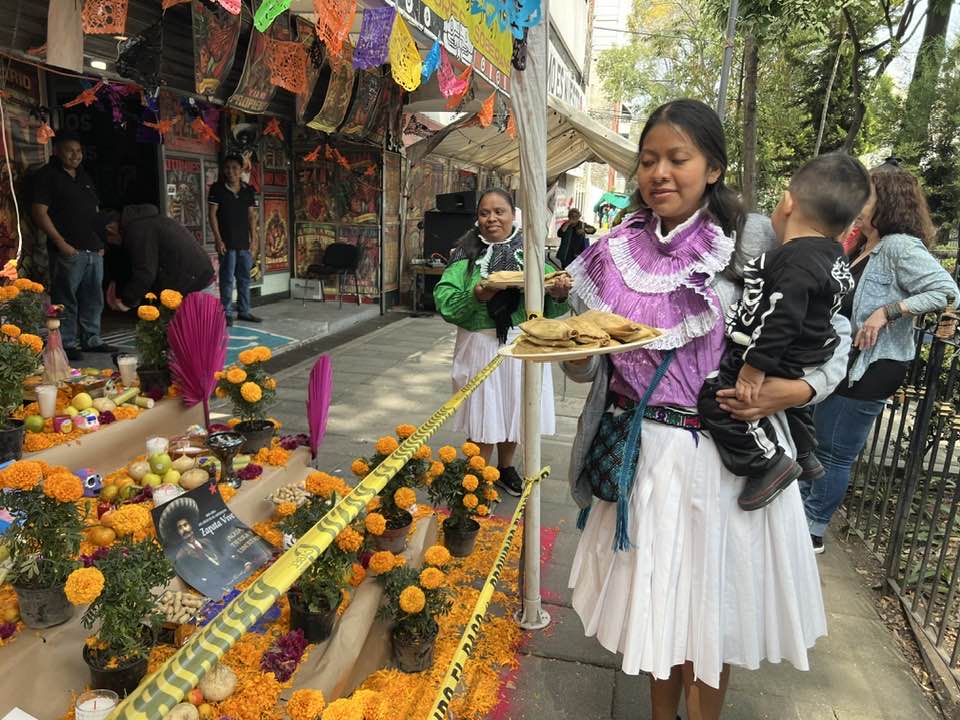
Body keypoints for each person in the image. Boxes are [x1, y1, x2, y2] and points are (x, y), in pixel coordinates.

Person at [563, 99, 850, 720]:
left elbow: (838, 338)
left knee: (710, 620)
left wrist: (795, 391)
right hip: (646, 462)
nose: (658, 173)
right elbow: (587, 357)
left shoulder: (756, 245)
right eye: (647, 161)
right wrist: (570, 353)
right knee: (657, 614)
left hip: (726, 466)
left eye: (677, 159)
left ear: (713, 168)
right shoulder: (613, 252)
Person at [804, 159, 959, 554]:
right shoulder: (861, 243)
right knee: (819, 441)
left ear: (886, 201)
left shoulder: (898, 247)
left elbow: (947, 290)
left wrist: (887, 312)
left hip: (871, 366)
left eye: (867, 194)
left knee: (835, 451)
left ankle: (813, 531)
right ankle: (803, 515)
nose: (859, 200)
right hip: (844, 362)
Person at [698, 154, 869, 511]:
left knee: (718, 399)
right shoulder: (832, 255)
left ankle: (766, 462)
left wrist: (754, 366)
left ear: (788, 201)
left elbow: (782, 318)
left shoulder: (793, 258)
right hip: (810, 351)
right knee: (791, 408)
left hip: (779, 354)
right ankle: (805, 452)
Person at [433, 189, 571, 497]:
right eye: (484, 213)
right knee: (483, 412)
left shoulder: (533, 254)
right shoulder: (465, 254)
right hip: (480, 345)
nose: (492, 218)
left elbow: (553, 305)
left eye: (499, 211)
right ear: (477, 218)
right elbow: (444, 301)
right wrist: (476, 296)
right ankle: (478, 476)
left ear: (513, 215)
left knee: (515, 410)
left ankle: (506, 468)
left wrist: (560, 293)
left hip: (521, 343)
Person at [31, 132, 115, 360]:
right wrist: (61, 243)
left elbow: (95, 211)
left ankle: (92, 339)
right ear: (56, 151)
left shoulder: (84, 176)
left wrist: (100, 241)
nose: (75, 155)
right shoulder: (47, 176)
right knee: (65, 299)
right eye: (70, 150)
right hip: (68, 251)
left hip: (93, 249)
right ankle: (66, 343)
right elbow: (39, 213)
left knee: (93, 298)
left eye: (78, 151)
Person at [103, 204, 214, 311]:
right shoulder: (148, 222)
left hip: (194, 285)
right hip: (197, 279)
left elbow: (145, 272)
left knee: (195, 329)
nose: (113, 245)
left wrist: (127, 301)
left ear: (110, 229)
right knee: (198, 328)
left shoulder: (139, 229)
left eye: (109, 241)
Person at [209, 154, 262, 326]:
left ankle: (244, 311)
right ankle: (226, 313)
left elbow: (252, 216)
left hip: (244, 244)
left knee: (244, 278)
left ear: (241, 170)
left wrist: (254, 239)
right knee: (227, 279)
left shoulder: (248, 190)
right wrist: (218, 239)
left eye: (234, 168)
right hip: (227, 243)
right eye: (227, 168)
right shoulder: (217, 189)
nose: (230, 171)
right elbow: (212, 215)